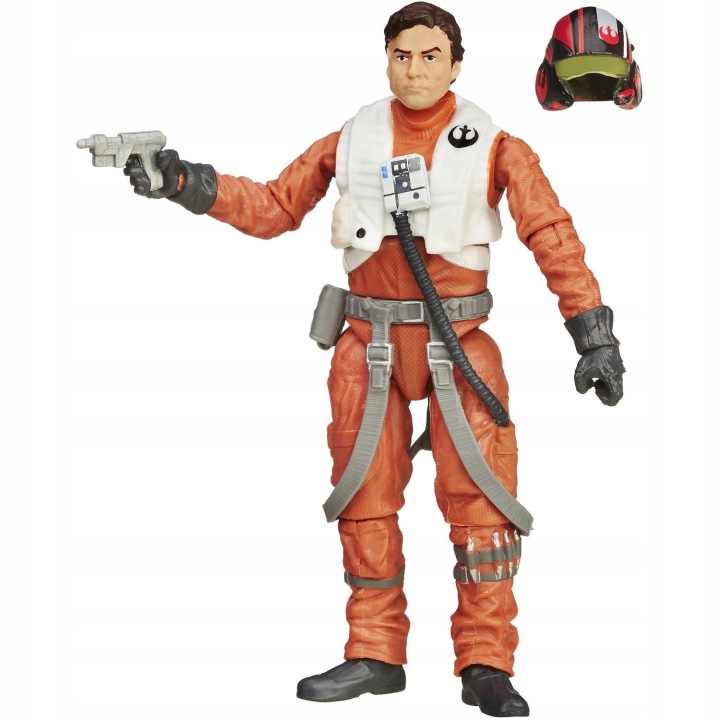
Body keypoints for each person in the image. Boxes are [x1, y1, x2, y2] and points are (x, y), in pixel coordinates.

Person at [123, 3, 624, 716]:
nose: (414, 70)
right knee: (365, 500)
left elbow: (551, 233)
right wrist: (183, 183)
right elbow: (274, 205)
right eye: (401, 55)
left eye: (430, 56)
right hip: (368, 347)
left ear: (456, 64)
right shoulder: (352, 140)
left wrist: (593, 333)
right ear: (386, 59)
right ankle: (375, 652)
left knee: (483, 508)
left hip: (460, 347)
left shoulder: (496, 146)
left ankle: (486, 661)